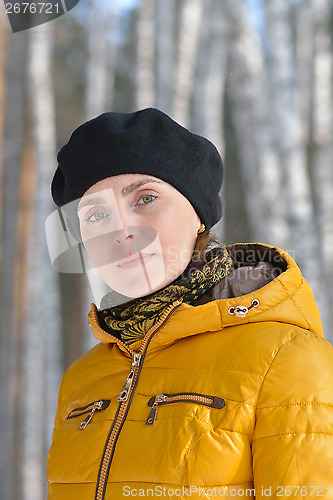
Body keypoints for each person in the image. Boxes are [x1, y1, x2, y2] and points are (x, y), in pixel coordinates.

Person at [47, 108, 333, 500]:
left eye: (145, 198)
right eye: (96, 215)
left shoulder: (286, 359)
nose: (122, 231)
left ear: (198, 215)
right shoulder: (83, 379)